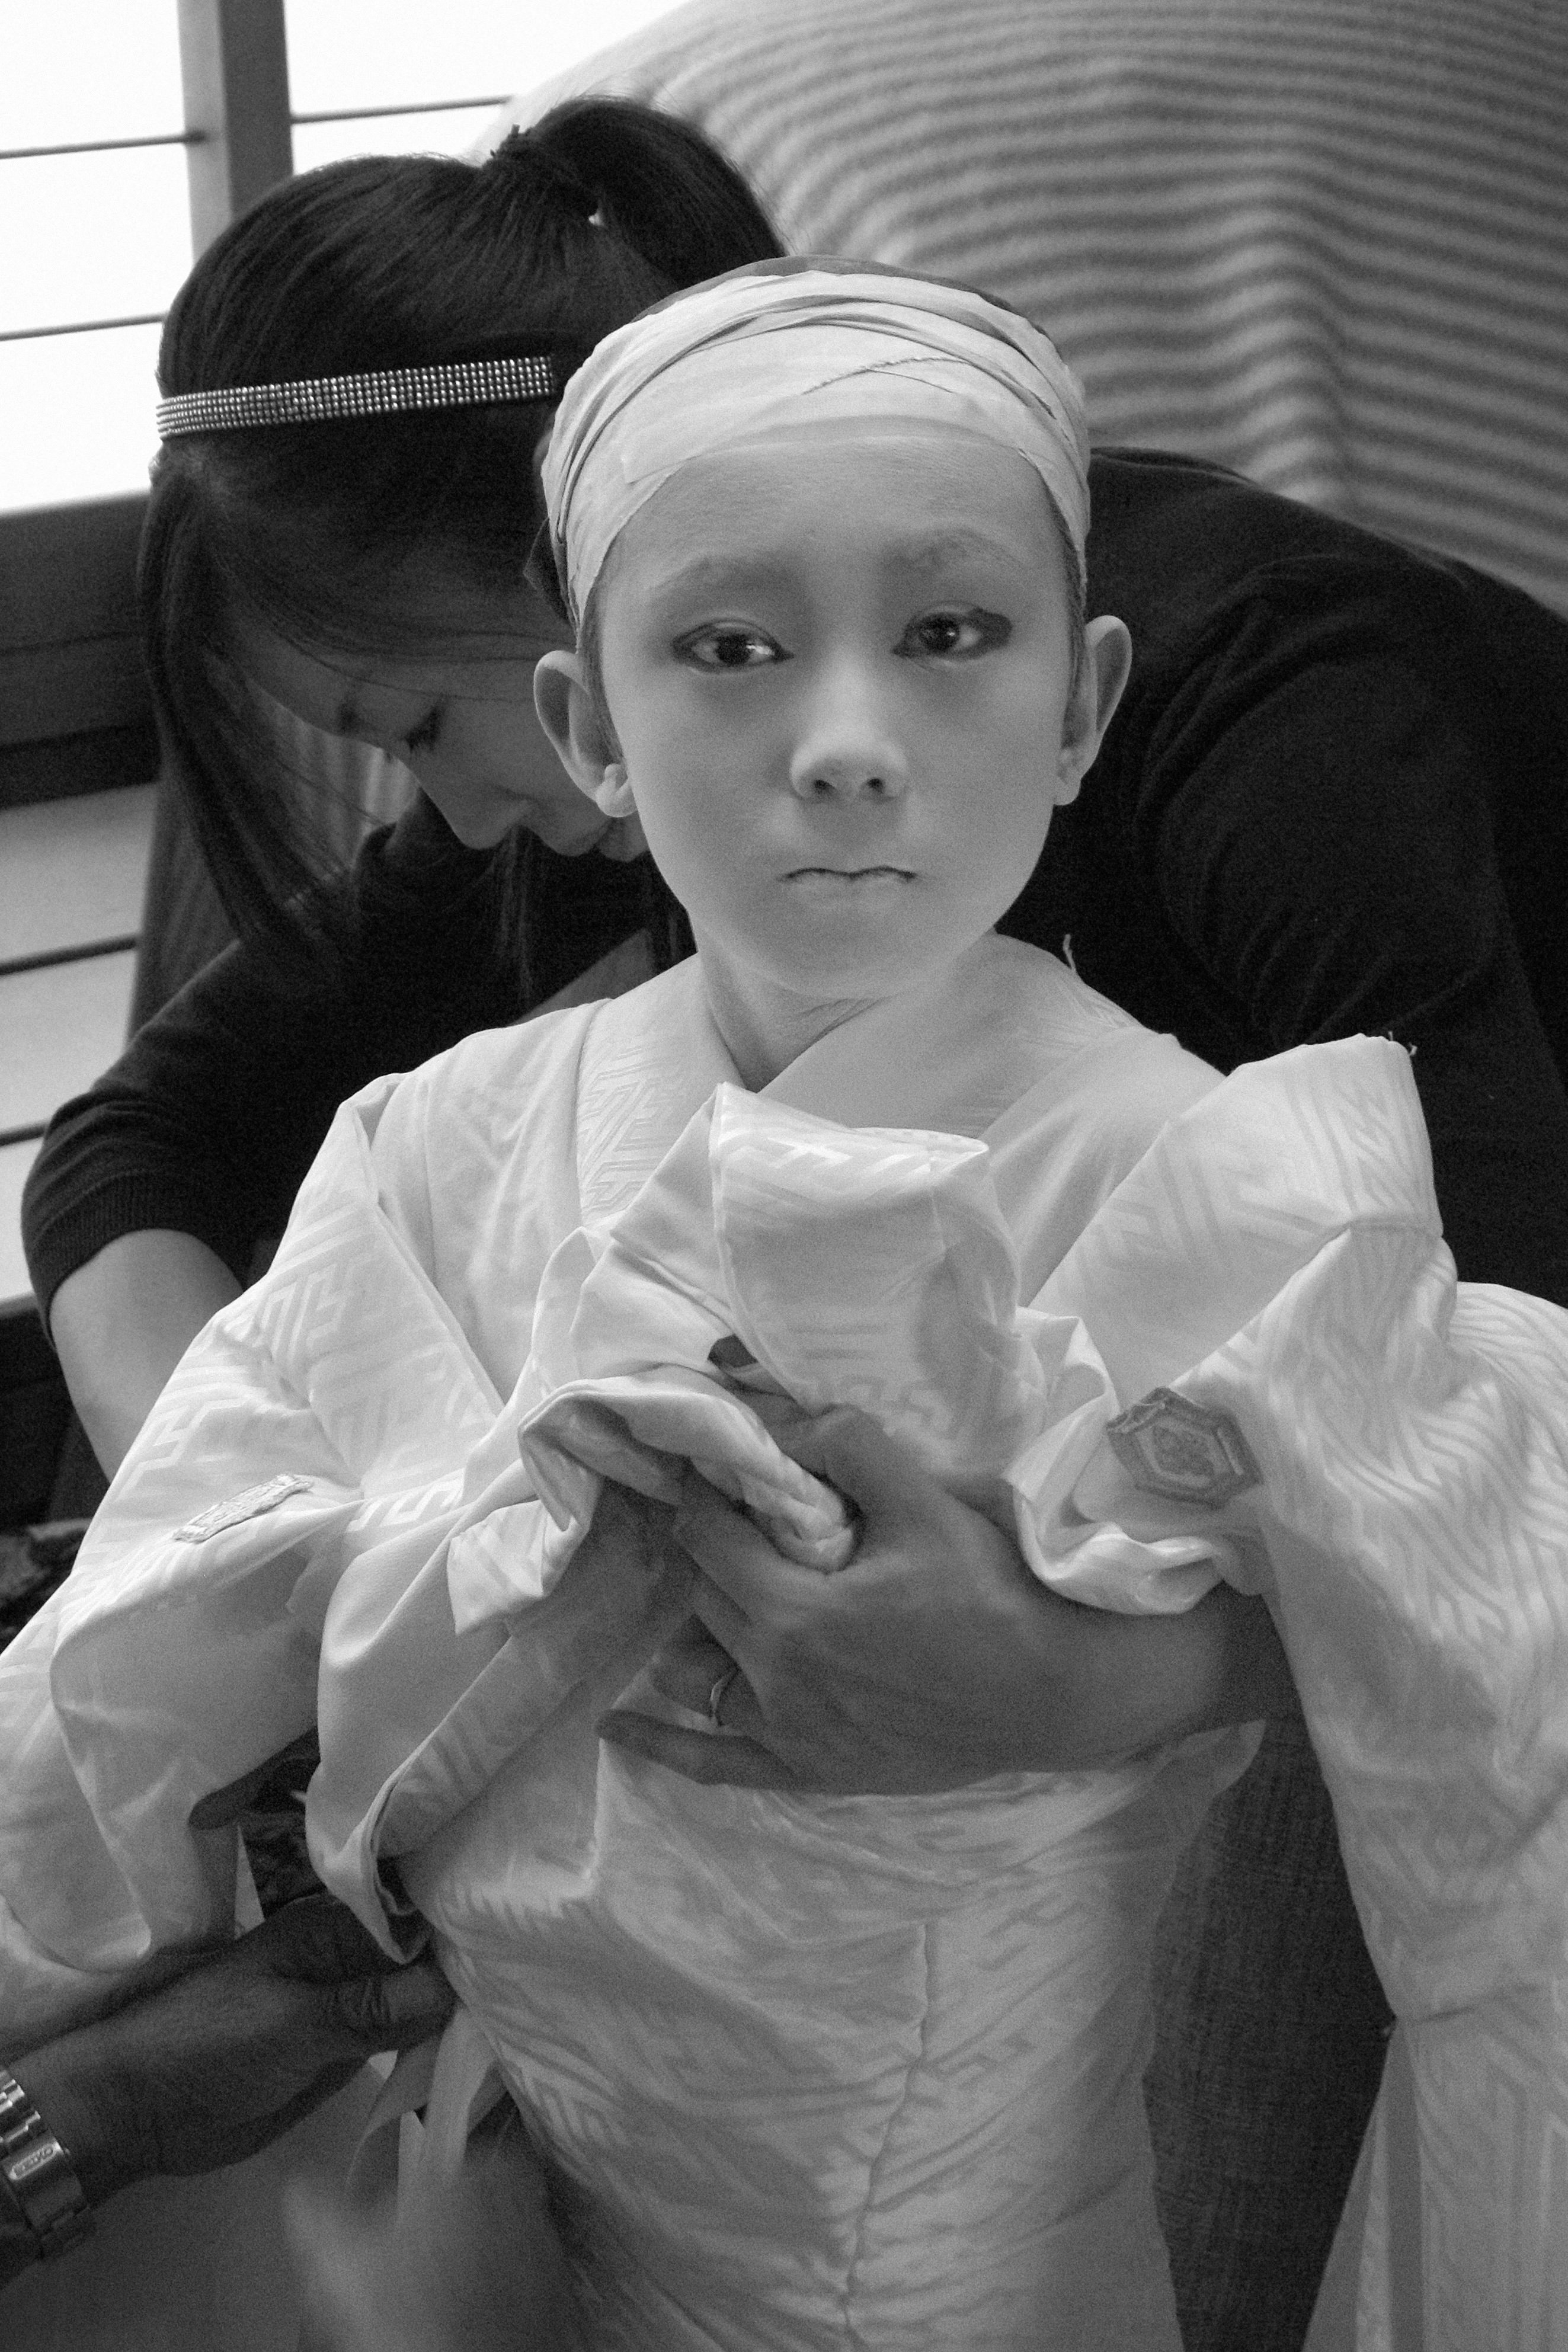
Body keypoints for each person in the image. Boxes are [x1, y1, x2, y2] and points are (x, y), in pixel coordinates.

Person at [18, 89, 1568, 2349]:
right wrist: (343, 1518)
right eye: (730, 648)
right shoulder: (510, 1007)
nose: (848, 741)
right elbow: (140, 1164)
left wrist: (1108, 1672)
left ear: (1077, 697)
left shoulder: (1265, 790)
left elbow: (1490, 1480)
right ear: (597, 676)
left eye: (949, 632)